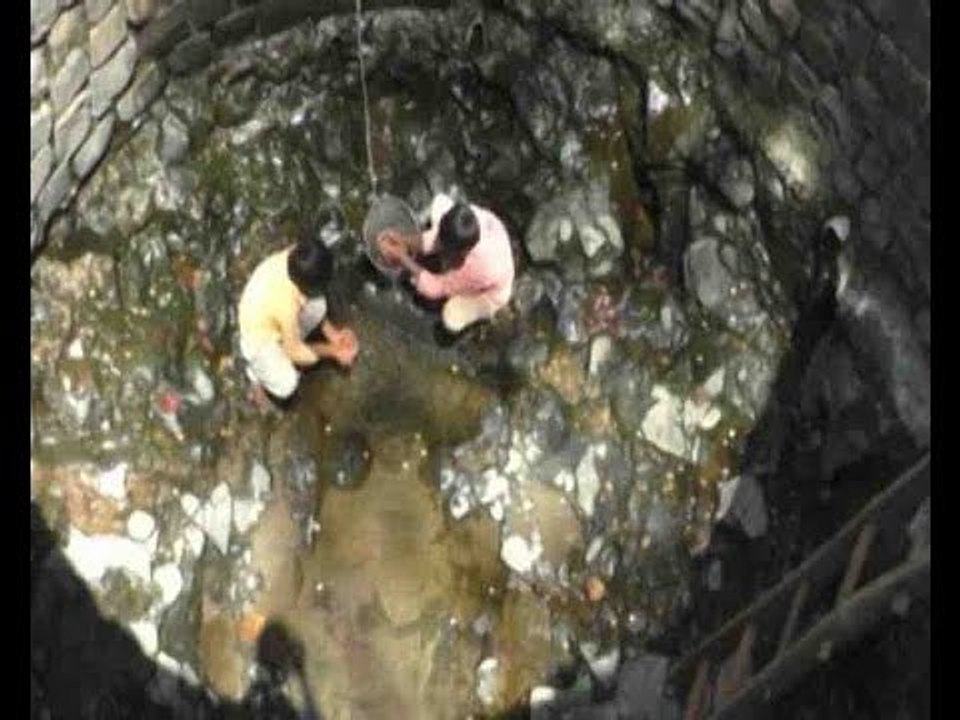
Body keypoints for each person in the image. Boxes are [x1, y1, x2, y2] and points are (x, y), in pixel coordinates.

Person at [238, 227, 358, 409]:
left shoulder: (299, 256)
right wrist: (334, 351)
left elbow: (309, 297)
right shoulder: (286, 306)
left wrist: (333, 334)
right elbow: (294, 352)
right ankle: (256, 374)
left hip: (266, 309)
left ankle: (292, 335)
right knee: (288, 383)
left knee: (319, 305)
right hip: (257, 339)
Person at [377, 193, 514, 334]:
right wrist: (403, 239)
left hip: (491, 293)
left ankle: (482, 310)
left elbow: (437, 288)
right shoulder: (468, 217)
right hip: (489, 246)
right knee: (439, 202)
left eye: (447, 250)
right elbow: (435, 240)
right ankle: (444, 253)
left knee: (451, 317)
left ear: (462, 253)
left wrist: (403, 258)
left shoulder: (477, 268)